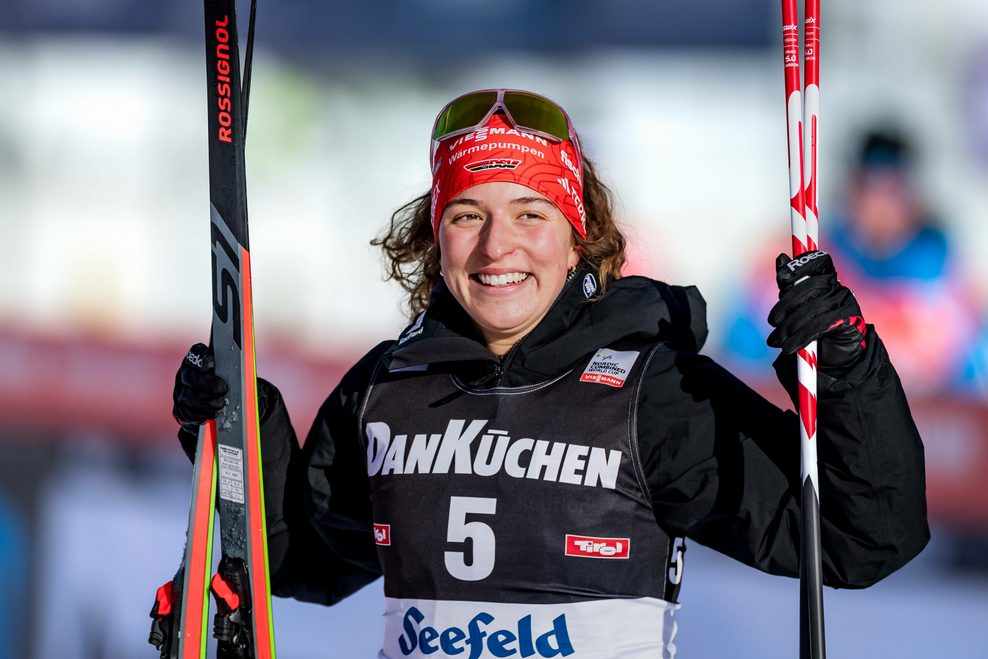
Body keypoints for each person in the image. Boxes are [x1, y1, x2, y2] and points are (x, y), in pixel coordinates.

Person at [171, 90, 929, 658]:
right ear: (436, 239)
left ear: (578, 239)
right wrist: (236, 423)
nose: (498, 246)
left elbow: (865, 538)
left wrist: (844, 356)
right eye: (467, 214)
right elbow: (295, 558)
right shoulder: (390, 387)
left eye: (531, 213)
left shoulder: (652, 390)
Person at [723, 128, 985, 396]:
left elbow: (974, 377)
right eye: (870, 188)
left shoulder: (944, 272)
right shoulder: (811, 262)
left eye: (893, 190)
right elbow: (744, 354)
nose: (881, 205)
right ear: (852, 189)